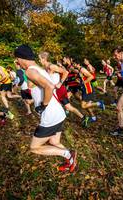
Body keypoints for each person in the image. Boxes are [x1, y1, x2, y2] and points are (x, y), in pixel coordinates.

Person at [14, 44, 77, 172]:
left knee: (34, 148)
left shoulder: (30, 71)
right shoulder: (39, 69)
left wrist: (43, 106)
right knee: (54, 142)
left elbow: (49, 86)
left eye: (17, 58)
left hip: (50, 115)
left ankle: (69, 155)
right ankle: (71, 160)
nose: (16, 62)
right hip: (59, 112)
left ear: (22, 57)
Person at [38, 52, 89, 127]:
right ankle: (51, 121)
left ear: (44, 59)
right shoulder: (44, 68)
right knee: (61, 106)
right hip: (52, 91)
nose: (39, 61)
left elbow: (65, 72)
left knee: (67, 107)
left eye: (39, 59)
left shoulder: (52, 66)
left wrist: (60, 83)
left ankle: (83, 117)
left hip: (59, 90)